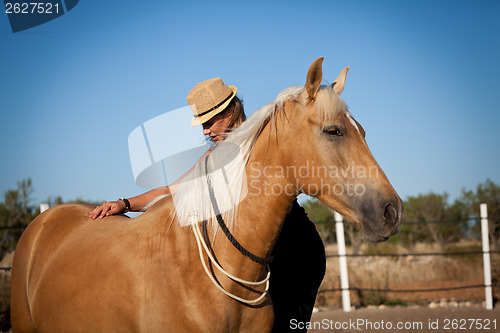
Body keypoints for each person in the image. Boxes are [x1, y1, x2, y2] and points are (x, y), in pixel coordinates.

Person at [90, 77, 326, 332]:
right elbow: (171, 190)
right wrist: (124, 204)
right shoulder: (214, 157)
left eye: (210, 120)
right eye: (202, 122)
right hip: (253, 257)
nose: (204, 130)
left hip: (291, 246)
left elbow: (281, 199)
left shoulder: (263, 142)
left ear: (231, 110)